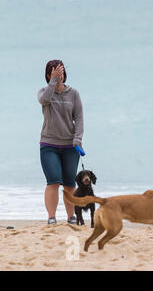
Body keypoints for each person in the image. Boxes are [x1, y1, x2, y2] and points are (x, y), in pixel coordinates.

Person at [38, 60, 84, 225]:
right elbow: (44, 100)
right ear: (49, 75)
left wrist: (77, 139)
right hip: (49, 144)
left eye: (61, 73)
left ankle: (72, 216)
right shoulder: (44, 92)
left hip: (70, 146)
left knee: (70, 183)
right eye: (55, 73)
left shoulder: (74, 93)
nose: (59, 76)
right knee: (53, 181)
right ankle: (52, 217)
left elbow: (78, 118)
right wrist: (53, 82)